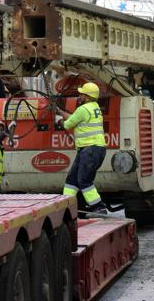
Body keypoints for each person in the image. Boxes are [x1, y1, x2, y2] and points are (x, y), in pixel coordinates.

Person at [55, 82, 108, 213]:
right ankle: (66, 205)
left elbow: (67, 125)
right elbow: (74, 118)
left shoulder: (83, 109)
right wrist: (61, 112)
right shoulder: (94, 107)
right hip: (92, 150)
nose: (80, 96)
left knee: (84, 180)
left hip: (89, 150)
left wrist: (58, 119)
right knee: (72, 180)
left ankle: (98, 207)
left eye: (82, 94)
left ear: (87, 96)